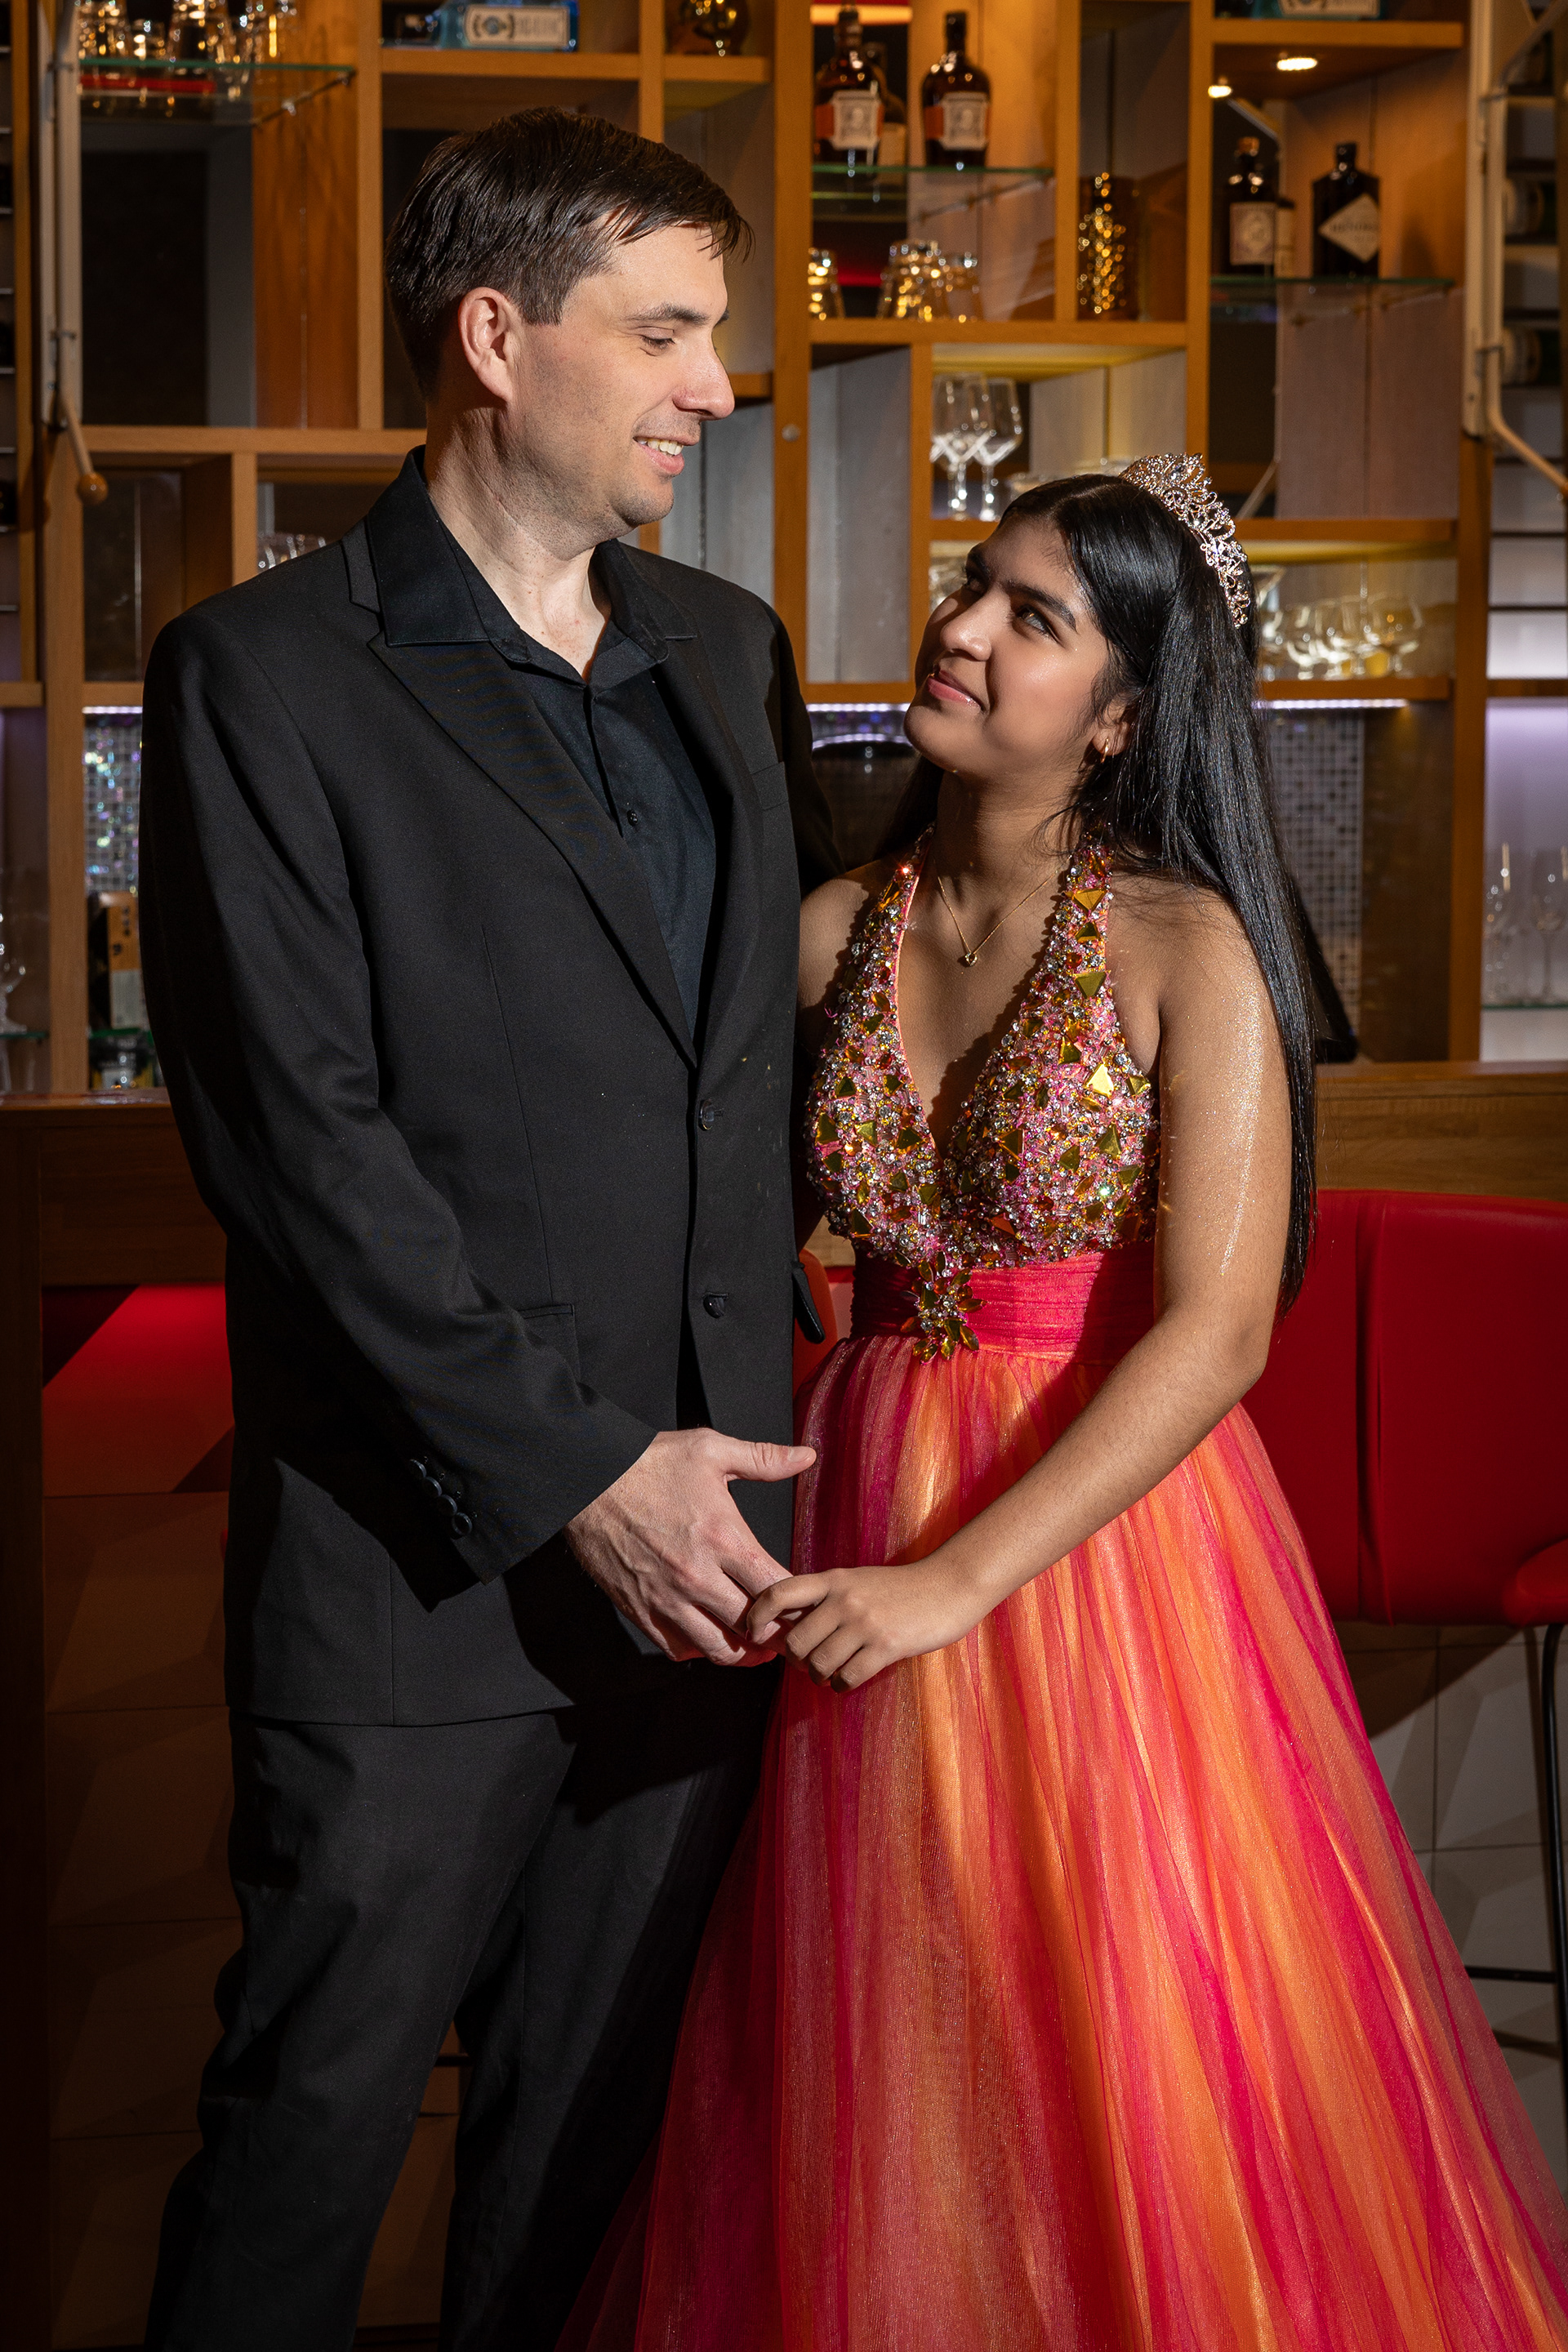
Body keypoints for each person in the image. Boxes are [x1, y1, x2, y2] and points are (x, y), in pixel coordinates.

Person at [589, 459, 1568, 2350]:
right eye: (973, 583)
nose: (960, 628)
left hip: (1096, 1535)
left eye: (1032, 617)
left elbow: (1218, 1334)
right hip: (857, 1483)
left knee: (1121, 2018)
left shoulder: (1185, 946)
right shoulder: (826, 930)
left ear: (1120, 713)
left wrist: (954, 1581)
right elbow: (713, 1247)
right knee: (893, 2010)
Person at [136, 108, 835, 2352]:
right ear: (497, 335)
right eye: (668, 333)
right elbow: (297, 1151)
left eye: (716, 337)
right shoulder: (261, 672)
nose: (714, 386)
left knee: (585, 2175)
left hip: (713, 1561)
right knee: (307, 2144)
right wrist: (580, 1474)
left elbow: (762, 1059)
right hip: (415, 1581)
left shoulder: (727, 648)